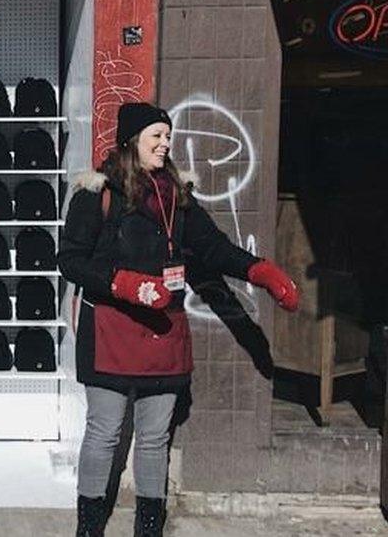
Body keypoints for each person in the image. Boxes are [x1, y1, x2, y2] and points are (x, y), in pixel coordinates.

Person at [58, 102, 298, 537]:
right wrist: (122, 282)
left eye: (168, 137)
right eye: (156, 136)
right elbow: (70, 260)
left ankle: (149, 527)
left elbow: (214, 248)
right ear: (132, 140)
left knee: (153, 438)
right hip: (110, 328)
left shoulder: (179, 196)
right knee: (105, 432)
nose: (165, 143)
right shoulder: (97, 193)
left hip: (165, 331)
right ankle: (89, 527)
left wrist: (260, 270)